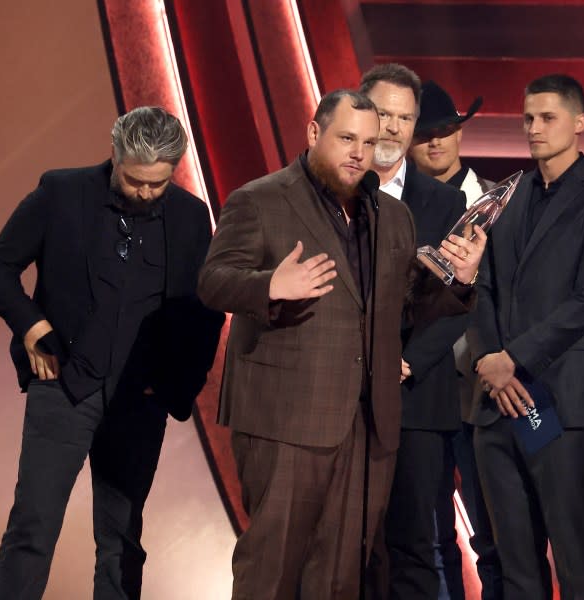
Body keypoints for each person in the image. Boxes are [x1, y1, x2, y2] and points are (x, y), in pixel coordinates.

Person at [197, 88, 486, 599]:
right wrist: (267, 286)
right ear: (314, 133)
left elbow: (406, 306)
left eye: (369, 143)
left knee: (339, 578)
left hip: (366, 423)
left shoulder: (391, 217)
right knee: (272, 569)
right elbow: (213, 281)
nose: (359, 153)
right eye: (347, 138)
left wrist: (457, 280)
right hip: (284, 420)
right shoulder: (260, 199)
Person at [0, 106, 224, 600]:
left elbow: (207, 310)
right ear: (115, 156)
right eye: (135, 181)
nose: (146, 193)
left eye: (157, 184)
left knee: (122, 541)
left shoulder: (192, 216)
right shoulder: (61, 192)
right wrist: (32, 325)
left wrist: (176, 385)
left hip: (140, 398)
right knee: (32, 528)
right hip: (65, 386)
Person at [470, 74, 584, 600]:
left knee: (573, 553)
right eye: (528, 118)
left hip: (562, 402)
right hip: (497, 403)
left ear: (579, 123)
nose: (534, 129)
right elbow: (481, 286)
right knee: (515, 559)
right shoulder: (508, 194)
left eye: (547, 118)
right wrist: (489, 362)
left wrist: (512, 359)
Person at [358, 65, 469, 600]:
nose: (394, 128)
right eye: (383, 114)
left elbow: (458, 300)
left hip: (417, 399)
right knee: (345, 549)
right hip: (338, 399)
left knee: (418, 548)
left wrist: (406, 361)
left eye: (406, 118)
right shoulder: (322, 189)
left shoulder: (446, 203)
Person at [409, 79, 503, 600]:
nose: (437, 143)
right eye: (424, 134)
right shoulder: (392, 206)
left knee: (495, 535)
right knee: (428, 535)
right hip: (418, 392)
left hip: (481, 394)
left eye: (446, 131)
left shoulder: (502, 202)